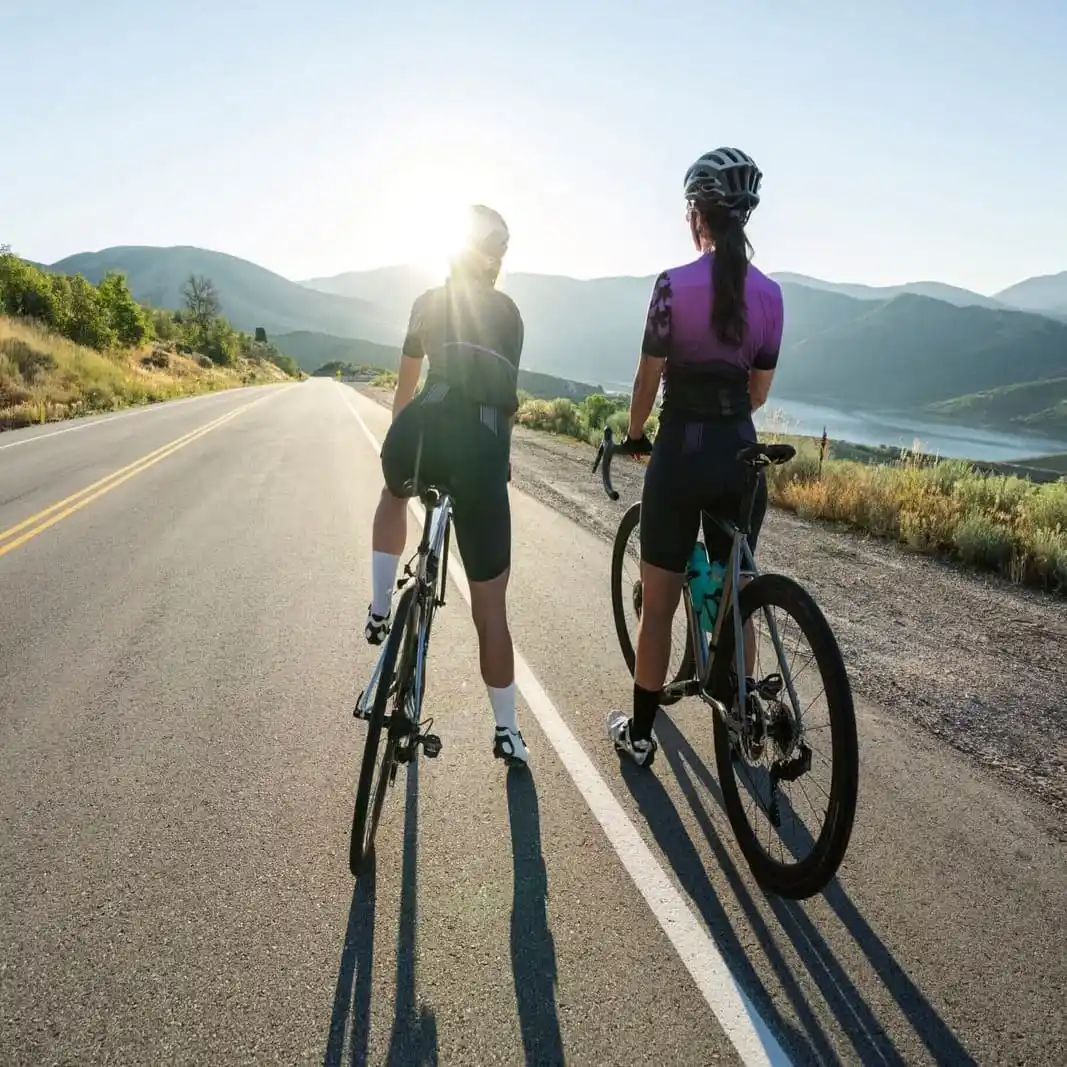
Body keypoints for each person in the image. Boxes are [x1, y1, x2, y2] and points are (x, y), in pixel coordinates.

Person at [607, 147, 784, 767]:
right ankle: (743, 715)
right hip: (739, 455)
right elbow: (757, 393)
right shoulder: (771, 295)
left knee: (657, 607)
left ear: (696, 216)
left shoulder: (671, 286)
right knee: (738, 597)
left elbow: (647, 379)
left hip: (681, 455)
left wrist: (636, 434)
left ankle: (640, 735)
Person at [365, 204, 530, 767]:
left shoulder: (427, 302)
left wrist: (397, 446)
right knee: (491, 610)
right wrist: (500, 460)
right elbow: (507, 403)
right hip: (482, 449)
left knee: (392, 494)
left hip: (423, 432)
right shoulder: (510, 316)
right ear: (496, 261)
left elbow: (405, 387)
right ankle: (506, 731)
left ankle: (380, 610)